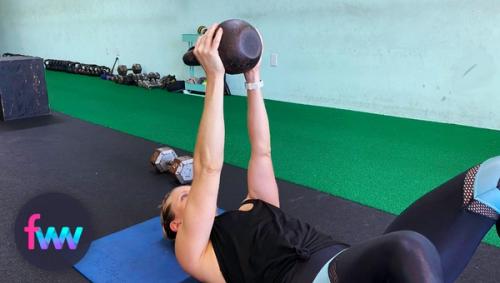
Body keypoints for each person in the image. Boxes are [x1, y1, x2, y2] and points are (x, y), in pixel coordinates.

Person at [159, 23, 500, 283]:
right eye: (185, 196)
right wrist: (215, 80)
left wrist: (253, 78)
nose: (195, 192)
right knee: (409, 246)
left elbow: (261, 151)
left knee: (492, 179)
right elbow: (208, 169)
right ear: (176, 225)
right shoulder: (194, 252)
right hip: (322, 277)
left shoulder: (256, 203)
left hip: (359, 265)